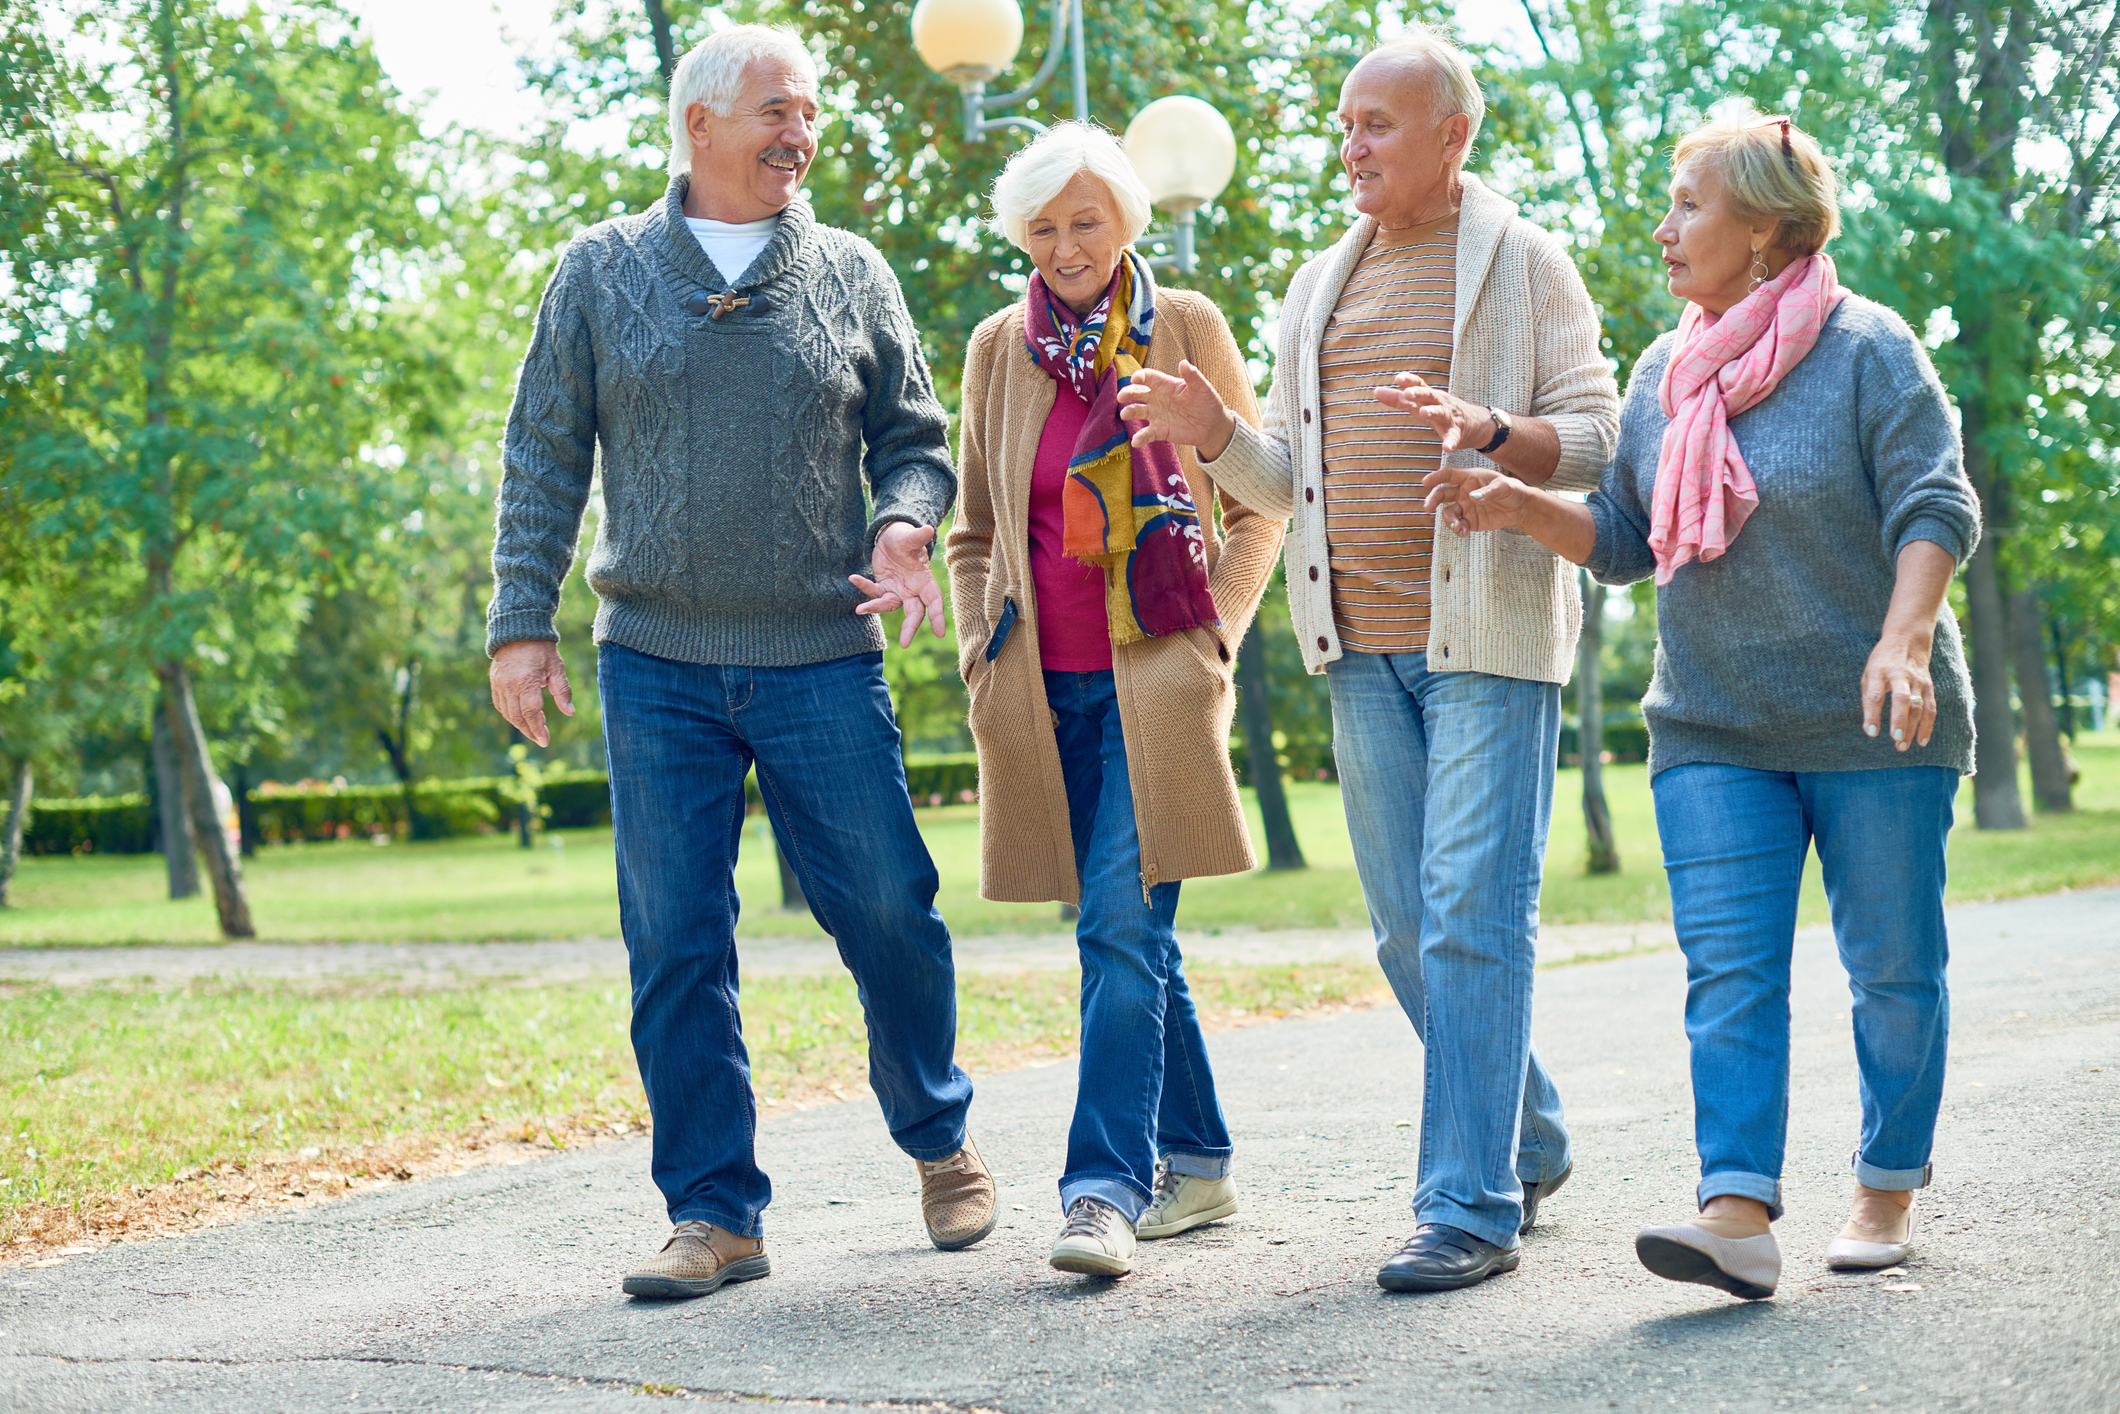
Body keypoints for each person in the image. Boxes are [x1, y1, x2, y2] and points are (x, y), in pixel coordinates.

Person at [1422, 113, 1980, 1301]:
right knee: (1727, 974)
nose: (1664, 227)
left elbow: (1935, 504)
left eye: (1688, 205)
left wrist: (1904, 640)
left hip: (1872, 720)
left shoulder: (1868, 349)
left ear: (1769, 231)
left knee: (1891, 967)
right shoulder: (1663, 374)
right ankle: (1734, 1214)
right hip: (1711, 723)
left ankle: (1884, 1177)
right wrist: (1521, 506)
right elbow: (1624, 539)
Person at [485, 25, 997, 1300]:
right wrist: (518, 621)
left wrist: (904, 522)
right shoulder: (599, 272)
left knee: (886, 905)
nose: (800, 133)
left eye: (810, 113)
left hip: (820, 651)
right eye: (777, 109)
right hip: (653, 656)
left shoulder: (850, 270)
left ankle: (937, 1134)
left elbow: (915, 439)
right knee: (673, 940)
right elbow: (543, 453)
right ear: (699, 124)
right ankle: (714, 1214)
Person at [1119, 29, 1619, 1291]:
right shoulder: (1316, 283)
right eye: (1343, 127)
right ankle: (1526, 1132)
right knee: (1407, 931)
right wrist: (1214, 432)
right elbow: (1285, 475)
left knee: (1467, 917)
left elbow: (1602, 435)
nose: (1349, 148)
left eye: (1375, 126)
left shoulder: (1523, 263)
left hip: (1488, 644)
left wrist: (1497, 437)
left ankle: (1466, 1205)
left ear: (1451, 137)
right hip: (1358, 649)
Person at [946, 123, 1284, 1278]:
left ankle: (1101, 1191)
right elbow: (974, 532)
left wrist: (1214, 636)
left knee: (1115, 929)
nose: (1065, 245)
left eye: (1084, 220)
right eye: (1041, 227)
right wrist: (976, 656)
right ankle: (1198, 1162)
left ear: (1125, 220)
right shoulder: (999, 347)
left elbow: (1259, 502)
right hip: (1044, 696)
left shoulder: (1181, 326)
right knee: (1132, 937)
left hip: (1157, 684)